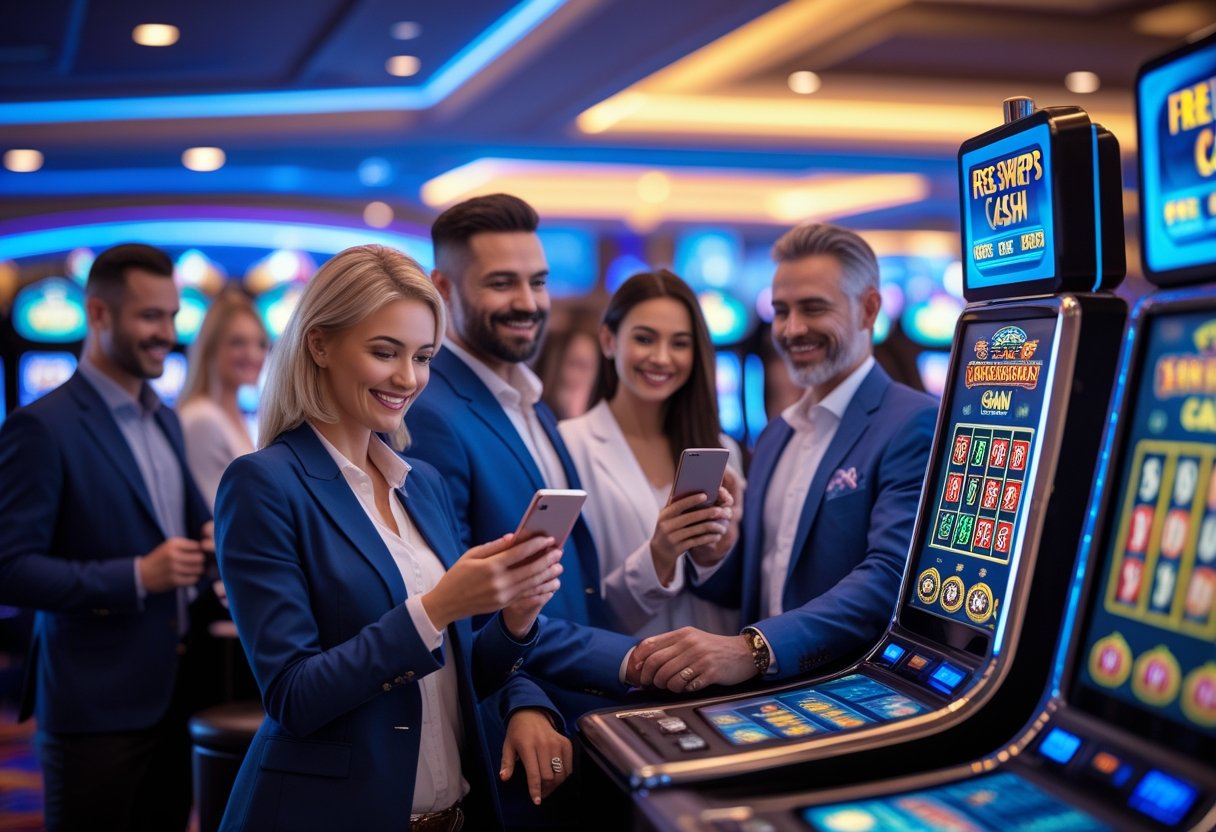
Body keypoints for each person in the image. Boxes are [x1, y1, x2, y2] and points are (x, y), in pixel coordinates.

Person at [213, 244, 573, 831]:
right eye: (385, 352)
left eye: (423, 356)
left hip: (455, 814)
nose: (408, 378)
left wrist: (514, 619)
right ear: (320, 344)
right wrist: (436, 608)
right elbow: (292, 697)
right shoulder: (263, 483)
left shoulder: (421, 482)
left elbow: (455, 680)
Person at [632, 223, 938, 694]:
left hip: (851, 695)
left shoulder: (913, 421)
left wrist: (753, 649)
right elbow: (759, 583)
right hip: (766, 695)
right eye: (781, 311)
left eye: (813, 308)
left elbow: (891, 579)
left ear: (869, 309)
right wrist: (716, 550)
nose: (793, 329)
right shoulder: (777, 432)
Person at [0, 243, 217, 831]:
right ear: (97, 315)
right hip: (93, 707)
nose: (167, 335)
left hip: (177, 691)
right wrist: (136, 576)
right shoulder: (39, 427)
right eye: (150, 317)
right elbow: (11, 568)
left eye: (172, 317)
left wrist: (215, 540)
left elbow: (191, 527)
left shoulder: (165, 415)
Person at [559, 269, 742, 637]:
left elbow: (740, 588)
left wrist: (717, 555)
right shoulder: (568, 446)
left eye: (679, 343)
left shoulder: (722, 449)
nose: (661, 358)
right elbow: (572, 606)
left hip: (719, 675)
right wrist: (659, 554)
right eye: (644, 339)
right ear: (609, 340)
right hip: (625, 678)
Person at [178, 291, 269, 510]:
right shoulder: (202, 418)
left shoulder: (231, 414)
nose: (253, 355)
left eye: (260, 344)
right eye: (238, 343)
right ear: (211, 348)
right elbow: (216, 512)